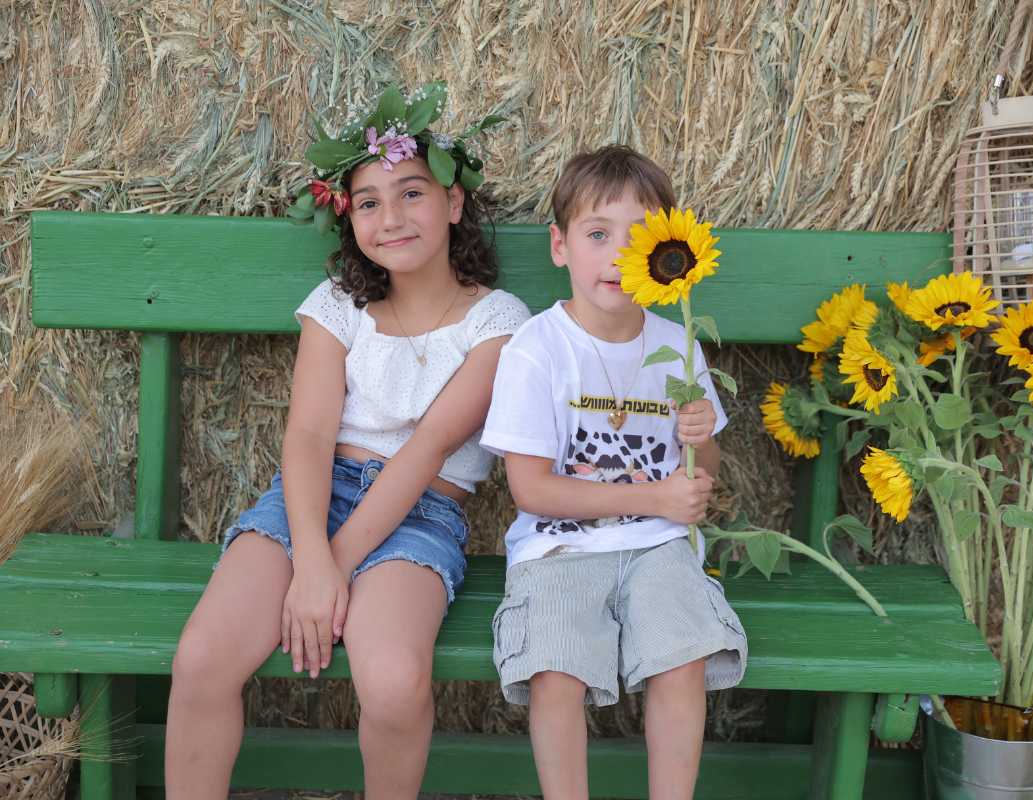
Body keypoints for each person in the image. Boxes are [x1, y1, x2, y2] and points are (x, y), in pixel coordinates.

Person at [165, 83, 529, 799]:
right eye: (368, 203)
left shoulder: (498, 322)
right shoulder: (339, 305)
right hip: (306, 501)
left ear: (454, 202)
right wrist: (310, 559)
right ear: (348, 216)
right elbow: (307, 435)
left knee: (393, 682)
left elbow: (429, 448)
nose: (391, 218)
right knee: (202, 657)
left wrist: (332, 566)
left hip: (419, 511)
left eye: (412, 194)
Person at [481, 144, 747, 800]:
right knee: (556, 672)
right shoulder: (537, 351)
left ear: (663, 255)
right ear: (560, 246)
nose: (618, 254)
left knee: (681, 660)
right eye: (598, 234)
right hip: (559, 549)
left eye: (638, 238)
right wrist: (657, 497)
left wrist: (699, 442)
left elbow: (702, 475)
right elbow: (530, 488)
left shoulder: (679, 345)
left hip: (658, 549)